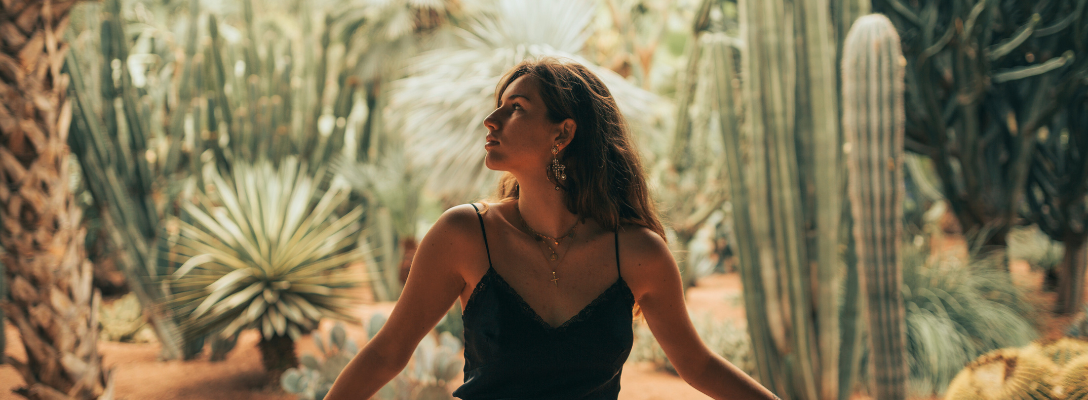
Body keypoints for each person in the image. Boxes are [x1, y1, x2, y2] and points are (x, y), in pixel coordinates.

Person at [325, 57, 777, 400]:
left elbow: (699, 365)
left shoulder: (638, 253)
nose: (492, 120)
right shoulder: (464, 234)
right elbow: (387, 352)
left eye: (515, 109)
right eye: (497, 108)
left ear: (562, 134)